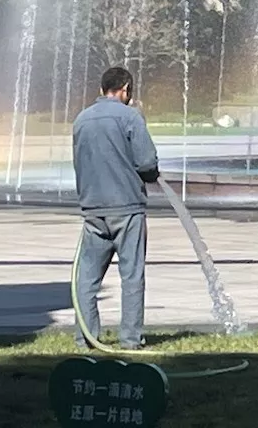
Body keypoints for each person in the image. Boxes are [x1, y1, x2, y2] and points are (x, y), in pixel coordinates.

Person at [72, 67, 159, 350]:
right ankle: (131, 339)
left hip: (93, 208)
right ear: (126, 89)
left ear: (102, 89)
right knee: (131, 276)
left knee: (87, 278)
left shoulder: (81, 119)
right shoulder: (130, 117)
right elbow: (146, 162)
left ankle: (86, 337)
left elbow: (79, 161)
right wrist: (151, 175)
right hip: (127, 206)